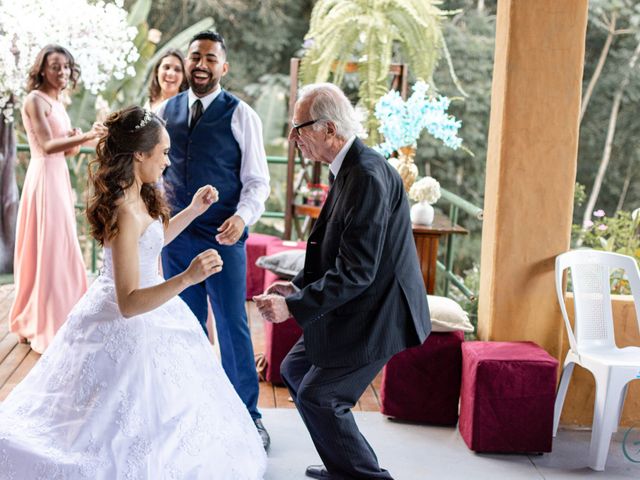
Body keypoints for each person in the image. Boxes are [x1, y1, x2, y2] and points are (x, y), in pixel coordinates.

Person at [0, 106, 267, 479]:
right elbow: (127, 303)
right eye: (164, 152)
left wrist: (191, 210)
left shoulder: (140, 194)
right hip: (129, 312)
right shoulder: (124, 211)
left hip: (155, 305)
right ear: (140, 153)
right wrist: (187, 278)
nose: (167, 160)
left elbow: (151, 243)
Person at [254, 83, 431, 480]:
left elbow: (357, 270)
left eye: (299, 128)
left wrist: (293, 306)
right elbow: (337, 249)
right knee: (296, 371)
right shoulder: (348, 167)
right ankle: (342, 465)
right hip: (359, 301)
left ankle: (364, 476)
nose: (293, 137)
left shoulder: (366, 175)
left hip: (381, 310)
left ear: (329, 128)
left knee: (321, 397)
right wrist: (296, 286)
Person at [157, 31, 271, 449]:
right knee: (183, 325)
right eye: (195, 57)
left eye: (210, 58)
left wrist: (242, 219)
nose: (201, 64)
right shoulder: (162, 111)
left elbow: (257, 182)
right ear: (186, 63)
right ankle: (190, 408)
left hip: (224, 236)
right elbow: (152, 174)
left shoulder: (242, 114)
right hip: (176, 239)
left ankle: (248, 416)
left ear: (224, 67)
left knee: (231, 325)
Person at [9, 44, 107, 353]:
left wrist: (75, 138)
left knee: (61, 245)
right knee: (47, 247)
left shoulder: (58, 101)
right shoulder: (34, 100)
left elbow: (67, 150)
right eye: (55, 66)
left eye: (65, 66)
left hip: (59, 178)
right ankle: (40, 321)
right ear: (41, 69)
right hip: (43, 178)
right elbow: (48, 145)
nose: (61, 72)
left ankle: (61, 316)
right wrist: (89, 135)